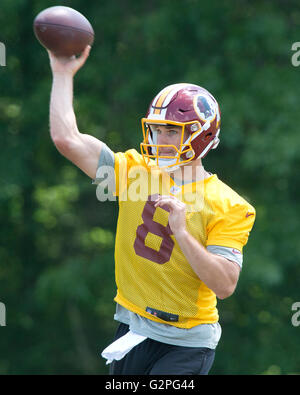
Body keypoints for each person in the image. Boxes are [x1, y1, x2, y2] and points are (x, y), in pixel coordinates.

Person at [47, 45, 255, 375]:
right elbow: (66, 139)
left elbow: (225, 285)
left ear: (202, 136)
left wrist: (182, 232)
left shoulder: (229, 205)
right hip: (133, 330)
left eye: (171, 130)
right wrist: (61, 73)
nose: (160, 139)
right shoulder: (135, 172)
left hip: (186, 342)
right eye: (157, 130)